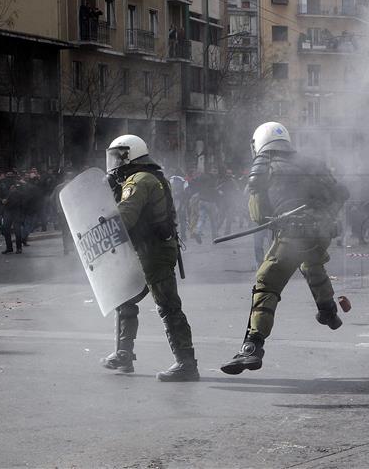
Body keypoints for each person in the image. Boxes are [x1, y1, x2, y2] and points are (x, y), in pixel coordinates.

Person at [221, 122, 349, 374]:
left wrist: (275, 214)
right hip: (321, 233)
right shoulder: (312, 163)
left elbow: (258, 214)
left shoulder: (263, 165)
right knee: (312, 265)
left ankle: (252, 347)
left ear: (259, 142)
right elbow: (341, 193)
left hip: (293, 234)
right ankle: (329, 312)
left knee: (266, 283)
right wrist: (324, 217)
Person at [101, 135, 199, 382]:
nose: (113, 162)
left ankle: (187, 363)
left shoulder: (139, 180)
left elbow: (126, 217)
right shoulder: (144, 177)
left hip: (154, 252)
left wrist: (101, 223)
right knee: (124, 298)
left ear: (130, 155)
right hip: (146, 250)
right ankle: (124, 353)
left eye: (118, 156)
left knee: (167, 305)